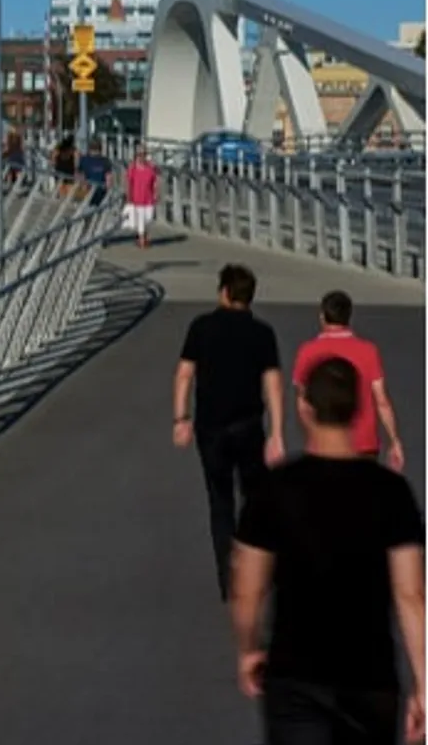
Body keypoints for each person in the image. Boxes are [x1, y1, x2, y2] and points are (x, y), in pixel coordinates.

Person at [231, 356, 425, 744]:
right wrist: (423, 682)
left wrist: (249, 648)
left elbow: (247, 590)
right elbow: (411, 595)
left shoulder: (273, 489)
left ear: (305, 407)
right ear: (358, 408)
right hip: (370, 679)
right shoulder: (392, 492)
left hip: (295, 677)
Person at [173, 263, 285, 601]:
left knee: (220, 503)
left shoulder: (201, 327)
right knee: (255, 500)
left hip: (210, 428)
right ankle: (258, 572)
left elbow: (184, 374)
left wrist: (181, 418)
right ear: (250, 296)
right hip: (249, 426)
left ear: (223, 292)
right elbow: (273, 384)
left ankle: (229, 579)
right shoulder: (262, 333)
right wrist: (276, 433)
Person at [290, 290, 404, 471]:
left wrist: (314, 433)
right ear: (349, 317)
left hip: (323, 445)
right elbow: (381, 401)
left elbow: (302, 401)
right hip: (364, 444)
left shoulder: (307, 351)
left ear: (322, 316)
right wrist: (394, 440)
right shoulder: (368, 350)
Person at [124, 147, 158, 248]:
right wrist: (128, 196)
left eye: (143, 154)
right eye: (139, 155)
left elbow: (155, 181)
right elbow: (128, 183)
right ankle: (142, 240)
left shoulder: (151, 168)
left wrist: (156, 193)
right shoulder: (132, 168)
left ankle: (143, 236)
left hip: (149, 198)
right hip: (137, 198)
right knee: (140, 219)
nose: (141, 157)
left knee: (148, 218)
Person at [75, 138, 111, 206]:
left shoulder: (84, 159)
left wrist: (82, 186)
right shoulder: (105, 161)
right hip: (101, 192)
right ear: (100, 149)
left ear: (89, 148)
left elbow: (78, 175)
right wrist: (108, 191)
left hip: (87, 191)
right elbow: (108, 178)